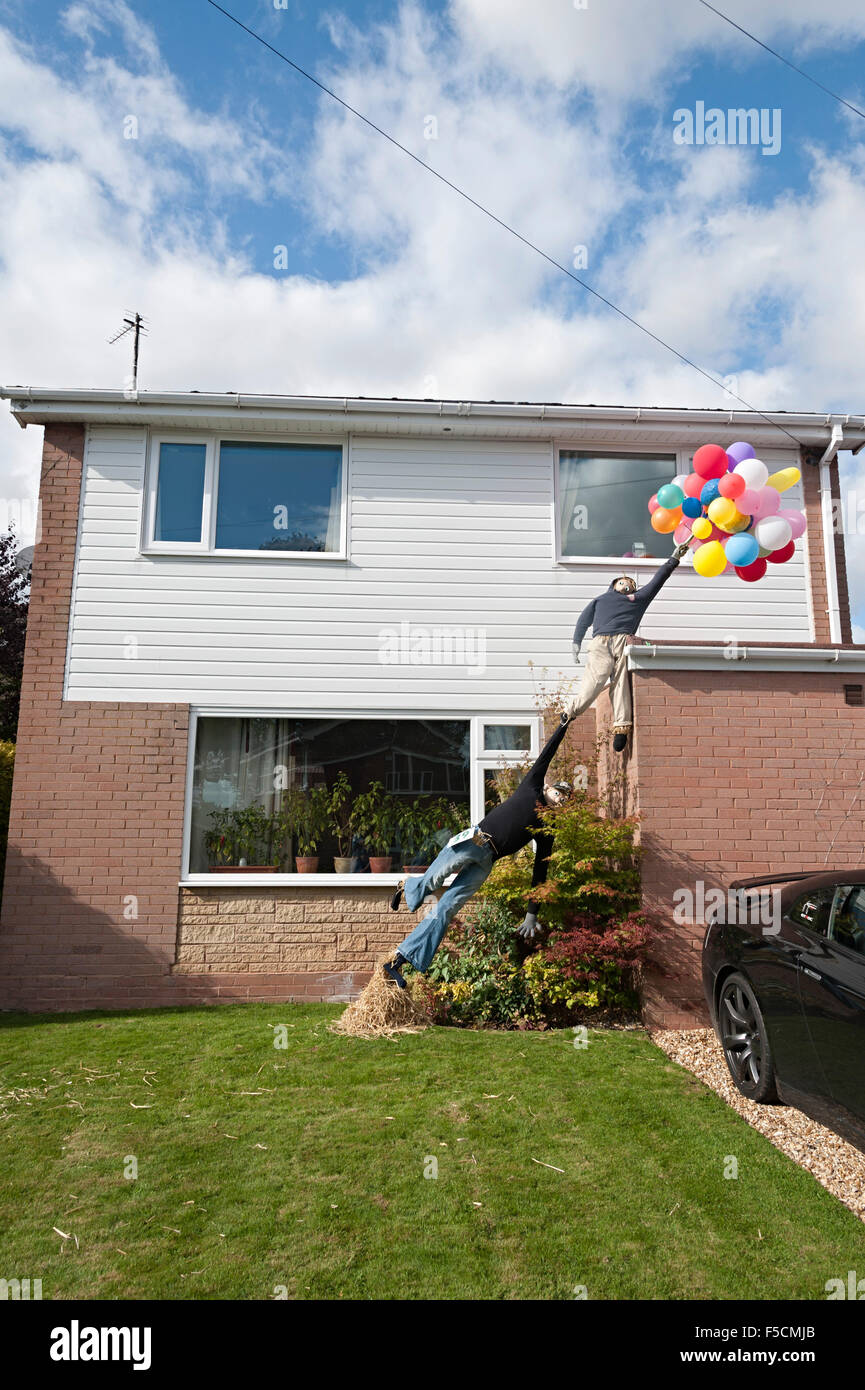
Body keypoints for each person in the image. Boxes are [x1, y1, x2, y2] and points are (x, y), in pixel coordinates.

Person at [384, 717, 574, 987]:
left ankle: (400, 961)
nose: (562, 798)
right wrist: (564, 723)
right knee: (435, 879)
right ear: (548, 787)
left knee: (447, 908)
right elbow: (548, 752)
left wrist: (532, 912)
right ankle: (411, 886)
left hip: (487, 862)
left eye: (566, 799)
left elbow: (540, 871)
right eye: (560, 792)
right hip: (475, 840)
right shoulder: (531, 785)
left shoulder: (547, 829)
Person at [568, 542, 690, 752]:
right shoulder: (600, 600)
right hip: (600, 642)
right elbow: (583, 620)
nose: (627, 585)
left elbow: (658, 581)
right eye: (623, 582)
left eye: (631, 584)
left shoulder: (638, 599)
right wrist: (576, 642)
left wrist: (674, 559)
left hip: (624, 640)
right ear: (614, 584)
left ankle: (621, 727)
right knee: (597, 677)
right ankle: (571, 710)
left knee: (620, 680)